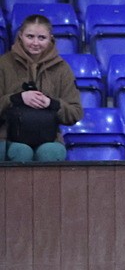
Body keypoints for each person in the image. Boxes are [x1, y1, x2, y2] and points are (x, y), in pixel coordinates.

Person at [0, 13, 83, 162]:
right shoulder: (4, 64)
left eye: (41, 38)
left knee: (51, 153)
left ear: (50, 38)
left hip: (48, 137)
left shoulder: (62, 69)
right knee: (20, 153)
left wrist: (51, 103)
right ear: (20, 36)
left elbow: (75, 113)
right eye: (30, 36)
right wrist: (17, 98)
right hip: (7, 135)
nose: (35, 43)